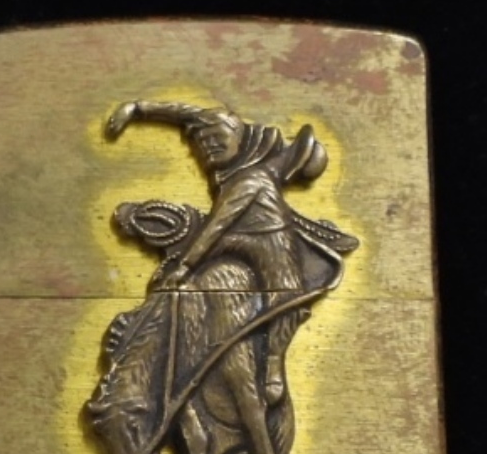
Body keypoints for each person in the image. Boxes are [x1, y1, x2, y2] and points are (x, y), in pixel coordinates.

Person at [105, 99, 328, 404]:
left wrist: (186, 266)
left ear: (240, 139)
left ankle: (273, 361)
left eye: (218, 139)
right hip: (235, 241)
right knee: (180, 284)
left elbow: (217, 226)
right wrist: (139, 108)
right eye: (202, 140)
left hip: (267, 246)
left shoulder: (251, 180)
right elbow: (190, 115)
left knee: (287, 298)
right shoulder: (229, 166)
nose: (207, 145)